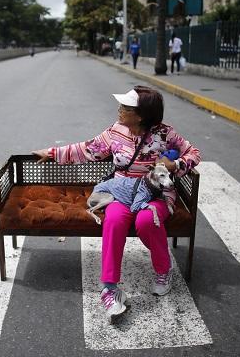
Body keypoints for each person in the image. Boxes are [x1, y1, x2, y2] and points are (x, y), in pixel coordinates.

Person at [32, 85, 201, 322]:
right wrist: (51, 153)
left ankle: (164, 270)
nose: (119, 109)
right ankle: (109, 288)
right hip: (121, 191)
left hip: (155, 195)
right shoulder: (115, 131)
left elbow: (193, 153)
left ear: (140, 115)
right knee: (113, 219)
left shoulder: (165, 134)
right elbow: (87, 149)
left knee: (146, 221)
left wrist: (175, 166)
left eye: (126, 107)